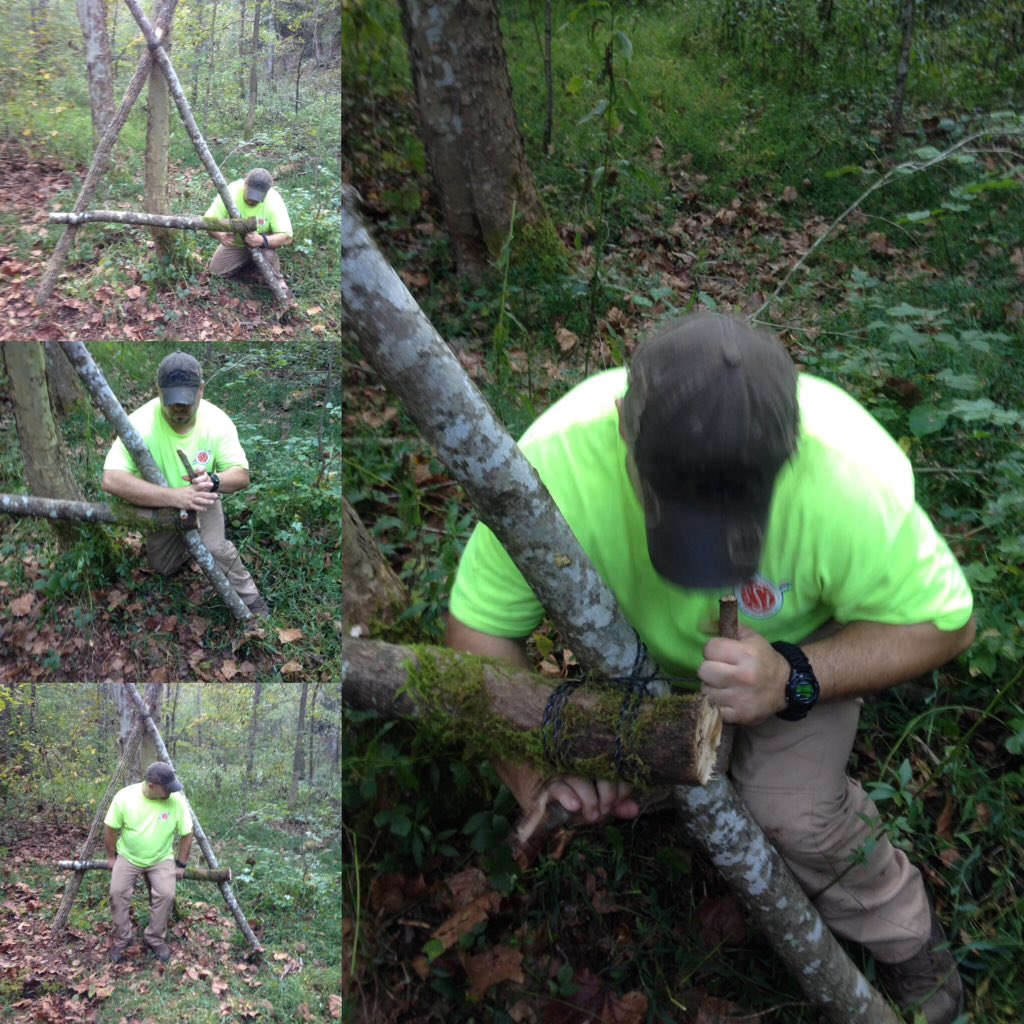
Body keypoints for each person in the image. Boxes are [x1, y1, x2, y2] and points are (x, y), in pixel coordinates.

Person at [446, 313, 975, 1024]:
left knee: (795, 814)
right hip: (637, 667)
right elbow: (477, 629)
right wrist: (535, 771)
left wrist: (794, 674)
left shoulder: (849, 480)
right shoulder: (551, 467)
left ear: (789, 454)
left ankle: (907, 936)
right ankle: (673, 780)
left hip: (799, 651)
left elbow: (945, 624)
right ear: (624, 432)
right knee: (609, 782)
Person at [102, 351, 270, 618]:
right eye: (172, 403)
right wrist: (176, 497)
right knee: (162, 565)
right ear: (158, 390)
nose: (179, 410)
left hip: (202, 498)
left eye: (186, 403)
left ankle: (253, 603)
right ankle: (187, 542)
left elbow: (241, 476)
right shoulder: (139, 424)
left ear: (201, 390)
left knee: (215, 548)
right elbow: (111, 480)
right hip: (160, 499)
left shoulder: (217, 422)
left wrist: (214, 481)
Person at [103, 761, 194, 963]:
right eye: (167, 789)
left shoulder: (175, 801)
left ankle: (154, 938)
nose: (171, 792)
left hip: (161, 858)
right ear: (152, 785)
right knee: (117, 893)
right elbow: (110, 828)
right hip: (128, 856)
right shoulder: (125, 797)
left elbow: (187, 833)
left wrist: (181, 864)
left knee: (167, 894)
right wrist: (111, 857)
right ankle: (122, 939)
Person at [205, 167, 292, 285]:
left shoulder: (274, 201)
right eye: (251, 194)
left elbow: (286, 237)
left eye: (258, 197)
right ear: (245, 184)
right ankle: (247, 266)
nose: (253, 200)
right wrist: (220, 236)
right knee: (215, 272)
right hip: (237, 242)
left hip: (263, 245)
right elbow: (208, 221)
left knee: (269, 262)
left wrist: (262, 240)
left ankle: (277, 281)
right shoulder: (230, 192)